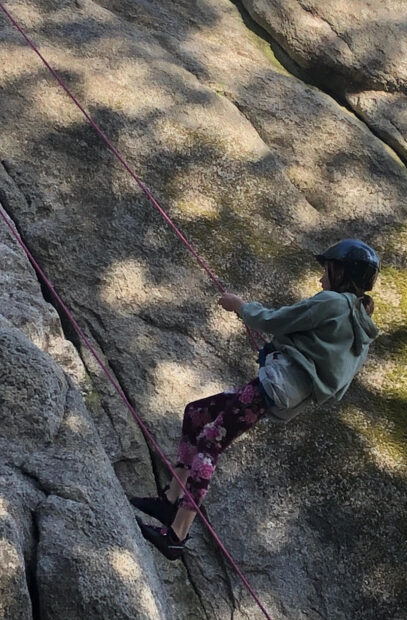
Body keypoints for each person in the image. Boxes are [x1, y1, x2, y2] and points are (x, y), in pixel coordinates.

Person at [132, 239, 381, 560]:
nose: (321, 279)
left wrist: (240, 307)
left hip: (273, 387)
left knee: (210, 441)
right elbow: (335, 385)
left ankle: (178, 532)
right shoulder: (362, 333)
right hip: (281, 393)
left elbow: (279, 320)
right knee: (195, 414)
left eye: (326, 270)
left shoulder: (335, 302)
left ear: (342, 272)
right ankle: (169, 500)